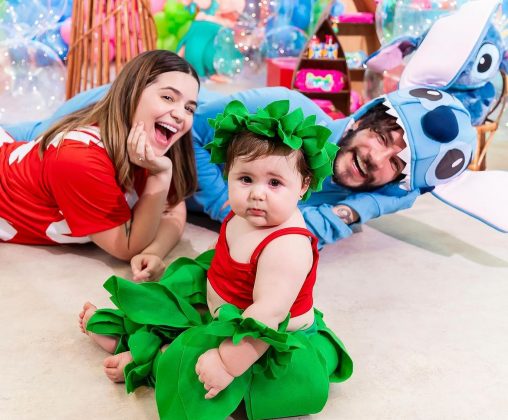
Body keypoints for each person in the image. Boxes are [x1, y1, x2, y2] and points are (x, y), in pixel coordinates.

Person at [78, 99, 353, 419]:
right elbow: (228, 260)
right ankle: (135, 336)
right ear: (228, 175)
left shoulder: (287, 246)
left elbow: (265, 319)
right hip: (221, 303)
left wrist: (226, 362)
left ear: (303, 186)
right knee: (170, 290)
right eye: (245, 179)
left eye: (275, 182)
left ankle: (152, 362)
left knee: (200, 368)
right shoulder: (245, 215)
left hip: (256, 339)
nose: (257, 194)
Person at [4, 83, 477, 254]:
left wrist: (368, 205)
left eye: (398, 164)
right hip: (119, 117)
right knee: (26, 140)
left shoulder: (368, 190)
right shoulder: (284, 108)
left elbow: (296, 232)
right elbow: (184, 131)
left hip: (159, 187)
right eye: (384, 136)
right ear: (365, 117)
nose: (378, 157)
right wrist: (225, 202)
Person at [0, 50, 200, 281]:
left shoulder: (151, 139)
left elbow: (173, 206)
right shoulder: (79, 159)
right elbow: (126, 246)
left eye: (189, 108)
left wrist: (154, 251)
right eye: (168, 98)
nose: (179, 114)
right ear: (132, 92)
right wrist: (160, 175)